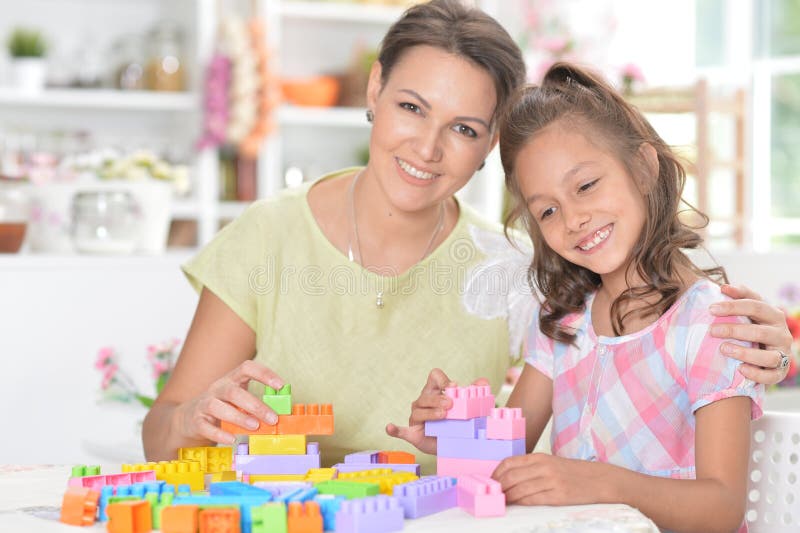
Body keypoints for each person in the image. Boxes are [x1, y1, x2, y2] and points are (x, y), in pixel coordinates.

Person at [143, 1, 792, 473]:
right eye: (410, 107)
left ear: (491, 146)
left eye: (463, 128)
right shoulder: (268, 236)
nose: (426, 147)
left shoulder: (521, 267)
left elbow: (644, 315)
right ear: (376, 88)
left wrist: (771, 340)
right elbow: (160, 432)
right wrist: (194, 417)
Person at [397, 62, 766, 533]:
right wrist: (453, 434)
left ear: (644, 167)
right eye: (548, 210)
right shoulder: (563, 321)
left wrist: (598, 482)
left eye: (586, 186)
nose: (573, 219)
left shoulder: (711, 324)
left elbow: (721, 509)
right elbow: (509, 451)